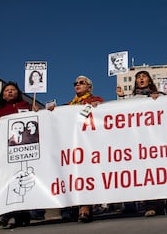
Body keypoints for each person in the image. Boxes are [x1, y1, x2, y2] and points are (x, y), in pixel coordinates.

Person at [117, 71, 165, 217]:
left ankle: (158, 204)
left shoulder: (160, 95)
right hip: (138, 142)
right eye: (138, 77)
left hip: (155, 141)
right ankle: (149, 204)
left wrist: (160, 100)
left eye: (144, 76)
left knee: (156, 173)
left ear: (149, 80)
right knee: (145, 174)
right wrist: (120, 98)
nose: (141, 79)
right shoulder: (130, 98)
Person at [0, 82, 38, 228]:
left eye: (13, 90)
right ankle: (10, 213)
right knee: (9, 181)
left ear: (18, 93)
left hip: (26, 151)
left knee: (24, 180)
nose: (10, 92)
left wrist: (36, 112)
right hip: (7, 153)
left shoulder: (27, 106)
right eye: (7, 90)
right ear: (3, 95)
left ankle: (22, 214)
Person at [65, 75, 104, 223]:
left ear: (89, 87)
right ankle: (73, 208)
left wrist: (98, 107)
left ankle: (85, 208)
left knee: (85, 174)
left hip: (89, 143)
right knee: (73, 175)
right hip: (72, 143)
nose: (78, 85)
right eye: (76, 83)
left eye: (82, 83)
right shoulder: (68, 105)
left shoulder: (97, 100)